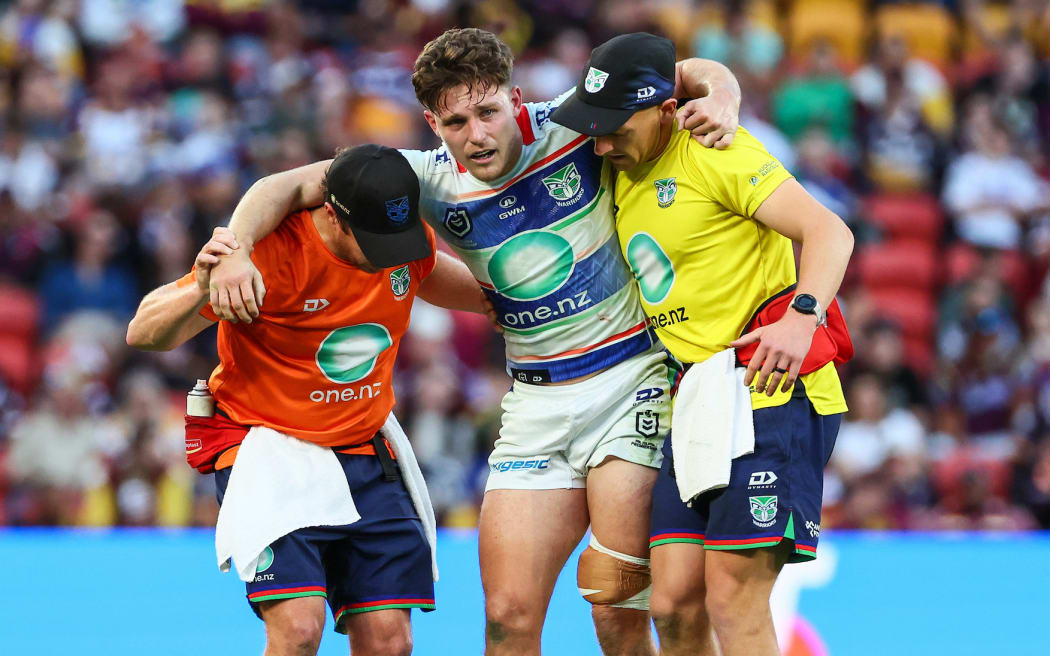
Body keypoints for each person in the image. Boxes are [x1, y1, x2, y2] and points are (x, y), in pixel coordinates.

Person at [203, 28, 742, 656]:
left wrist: (724, 100)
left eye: (489, 112)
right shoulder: (424, 177)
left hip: (631, 379)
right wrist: (234, 248)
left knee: (617, 601)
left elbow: (684, 72)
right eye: (456, 121)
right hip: (535, 403)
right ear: (433, 122)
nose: (477, 134)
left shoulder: (572, 124)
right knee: (507, 620)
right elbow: (285, 186)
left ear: (515, 99)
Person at [552, 33, 854, 656]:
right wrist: (718, 80)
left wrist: (803, 316)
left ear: (664, 109)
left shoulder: (716, 150)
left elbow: (829, 231)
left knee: (733, 599)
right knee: (673, 603)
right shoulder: (620, 167)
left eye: (614, 128)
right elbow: (684, 69)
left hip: (767, 388)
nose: (601, 142)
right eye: (594, 126)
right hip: (695, 399)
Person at [126, 144, 493, 656]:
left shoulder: (399, 238)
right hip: (269, 446)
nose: (392, 253)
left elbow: (450, 283)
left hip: (366, 445)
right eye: (376, 242)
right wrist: (200, 289)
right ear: (333, 215)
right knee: (298, 631)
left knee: (390, 641)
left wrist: (518, 299)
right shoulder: (274, 254)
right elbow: (144, 332)